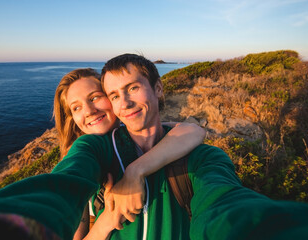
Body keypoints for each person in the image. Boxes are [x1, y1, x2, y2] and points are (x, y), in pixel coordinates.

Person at [0, 54, 308, 240]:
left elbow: (226, 207)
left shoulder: (199, 153)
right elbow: (59, 188)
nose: (124, 102)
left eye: (132, 88)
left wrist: (136, 170)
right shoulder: (93, 151)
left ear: (159, 89)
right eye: (115, 94)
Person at [52, 68, 206, 239]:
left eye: (94, 97)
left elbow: (192, 131)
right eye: (76, 108)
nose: (88, 111)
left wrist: (134, 171)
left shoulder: (140, 137)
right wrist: (106, 221)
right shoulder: (82, 159)